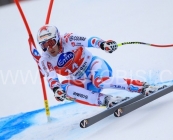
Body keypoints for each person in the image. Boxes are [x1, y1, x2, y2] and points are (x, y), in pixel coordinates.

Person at [36, 25, 164, 108]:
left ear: (57, 38)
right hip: (82, 81)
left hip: (95, 66)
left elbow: (89, 40)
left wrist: (103, 44)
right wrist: (56, 90)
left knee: (99, 82)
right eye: (44, 45)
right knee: (64, 88)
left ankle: (143, 87)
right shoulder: (45, 60)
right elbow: (51, 78)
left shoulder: (68, 39)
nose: (49, 48)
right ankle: (106, 100)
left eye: (51, 42)